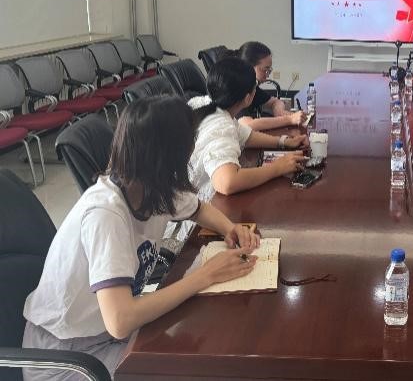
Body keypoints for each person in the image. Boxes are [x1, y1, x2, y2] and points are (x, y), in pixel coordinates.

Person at [22, 96, 261, 380]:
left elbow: (198, 209)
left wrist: (229, 228)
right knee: (188, 369)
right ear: (169, 157)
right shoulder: (105, 214)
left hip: (104, 332)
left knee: (200, 346)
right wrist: (206, 275)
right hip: (67, 355)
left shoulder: (149, 186)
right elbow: (120, 321)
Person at [189, 57, 307, 201]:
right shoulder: (221, 126)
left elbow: (245, 135)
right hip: (194, 208)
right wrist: (277, 168)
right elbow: (227, 182)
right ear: (247, 98)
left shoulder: (204, 103)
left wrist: (283, 142)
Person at [232, 41, 306, 131]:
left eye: (269, 70)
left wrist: (279, 111)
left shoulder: (252, 86)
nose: (267, 75)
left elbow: (275, 101)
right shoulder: (236, 88)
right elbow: (248, 125)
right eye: (265, 70)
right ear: (249, 67)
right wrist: (289, 119)